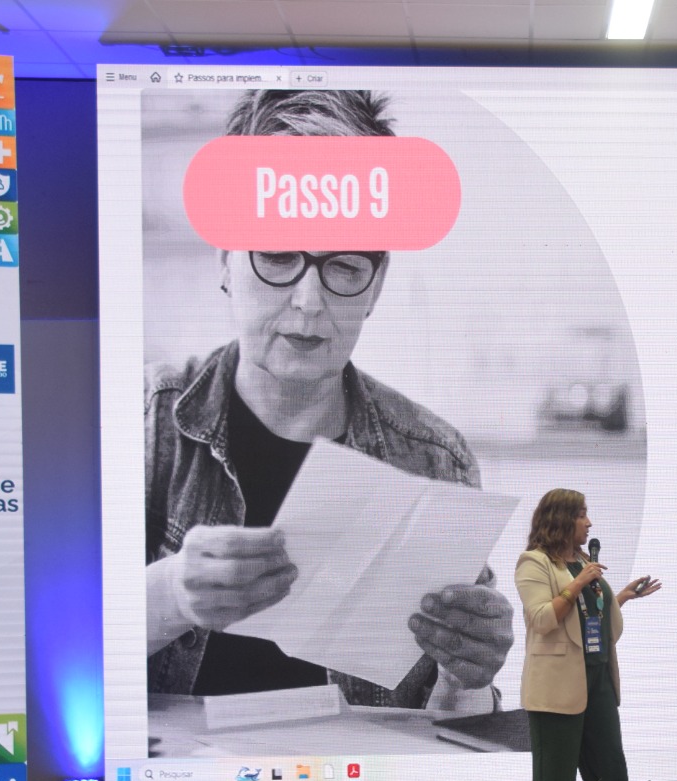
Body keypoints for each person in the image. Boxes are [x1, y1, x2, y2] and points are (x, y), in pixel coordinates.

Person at [145, 89, 513, 710]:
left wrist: (466, 680)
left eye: (344, 265)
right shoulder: (146, 422)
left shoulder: (434, 461)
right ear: (226, 260)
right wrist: (172, 595)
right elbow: (53, 649)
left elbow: (448, 727)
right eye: (277, 255)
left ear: (377, 283)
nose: (310, 302)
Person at [514, 489, 660, 781]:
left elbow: (587, 620)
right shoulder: (535, 562)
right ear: (561, 520)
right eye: (581, 515)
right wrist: (579, 583)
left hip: (598, 679)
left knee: (612, 772)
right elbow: (542, 619)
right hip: (556, 688)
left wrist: (621, 597)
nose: (588, 523)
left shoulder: (583, 562)